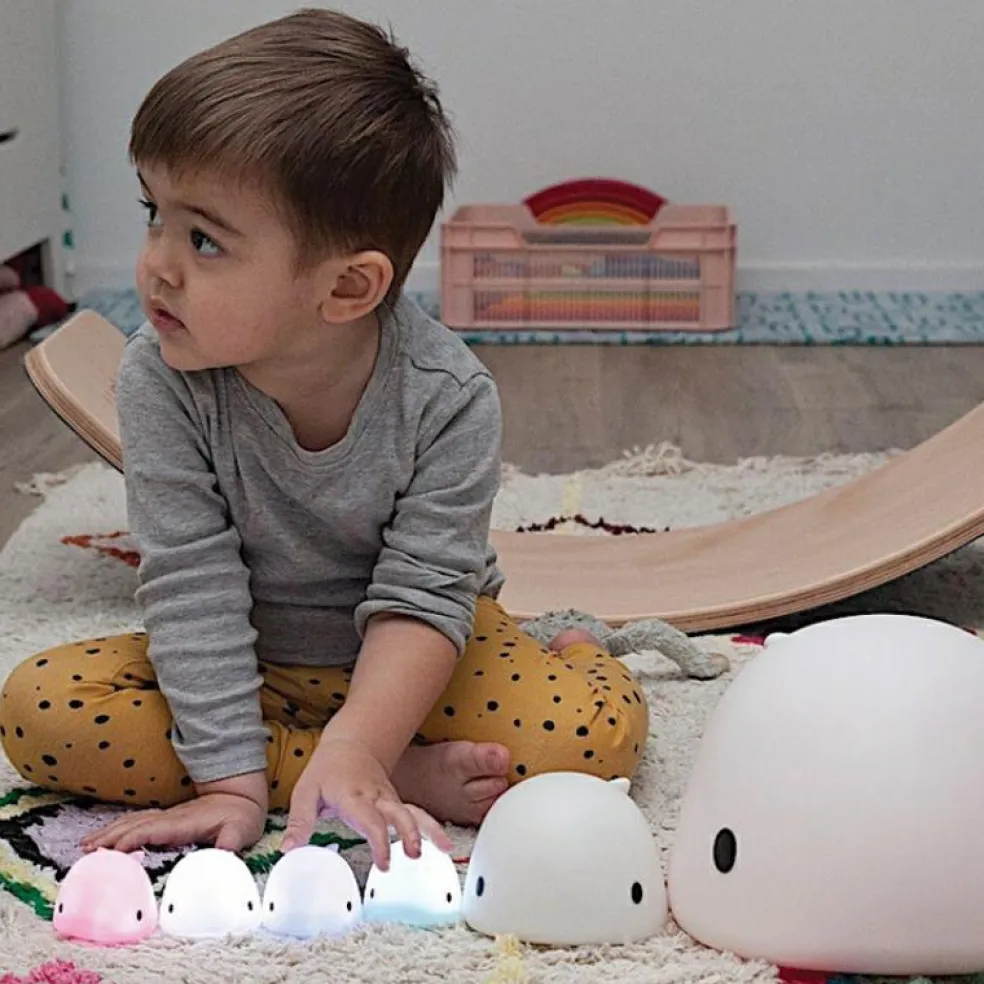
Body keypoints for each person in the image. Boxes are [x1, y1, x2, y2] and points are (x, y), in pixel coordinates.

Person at [0, 8, 649, 871]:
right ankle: (364, 770)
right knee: (40, 709)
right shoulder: (160, 378)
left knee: (588, 743)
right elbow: (190, 581)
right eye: (154, 212)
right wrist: (229, 784)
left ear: (346, 288)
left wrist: (364, 734)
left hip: (415, 658)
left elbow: (424, 597)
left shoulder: (447, 398)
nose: (157, 263)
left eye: (204, 239)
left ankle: (552, 660)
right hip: (251, 657)